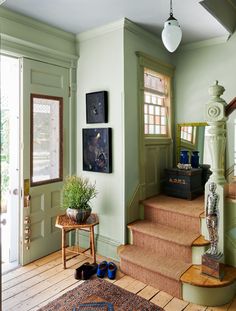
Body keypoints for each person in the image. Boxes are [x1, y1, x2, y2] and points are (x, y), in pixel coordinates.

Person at [206, 182, 220, 257]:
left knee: (215, 231)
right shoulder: (208, 195)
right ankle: (211, 246)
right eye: (210, 186)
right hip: (208, 216)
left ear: (215, 187)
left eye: (213, 186)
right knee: (210, 231)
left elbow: (216, 206)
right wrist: (206, 216)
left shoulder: (217, 196)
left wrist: (214, 216)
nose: (211, 188)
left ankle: (215, 246)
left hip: (214, 216)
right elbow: (207, 206)